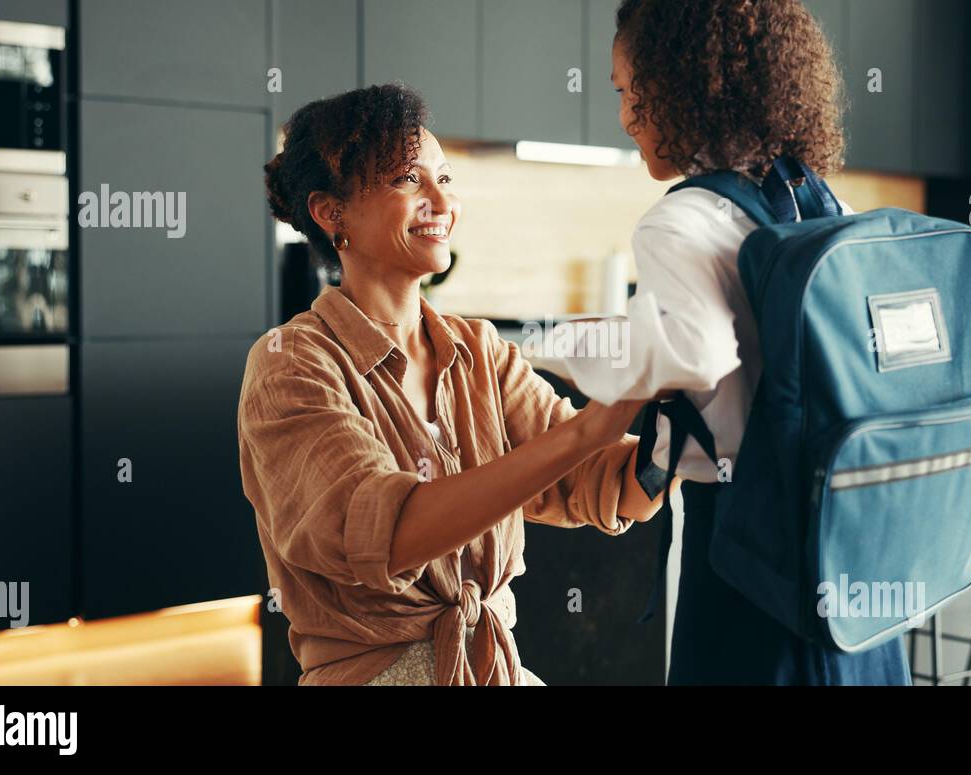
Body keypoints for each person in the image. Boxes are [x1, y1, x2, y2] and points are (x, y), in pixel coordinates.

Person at [239, 84, 664, 685]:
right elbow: (387, 537)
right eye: (408, 181)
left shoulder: (479, 352)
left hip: (491, 666)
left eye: (445, 178)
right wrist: (592, 426)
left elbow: (603, 485)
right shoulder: (291, 364)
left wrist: (681, 421)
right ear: (331, 213)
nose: (442, 201)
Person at [564, 0, 912, 685]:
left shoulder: (682, 219)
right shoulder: (815, 200)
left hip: (747, 547)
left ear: (679, 85)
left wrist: (571, 350)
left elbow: (694, 355)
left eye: (628, 91)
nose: (626, 117)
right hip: (847, 539)